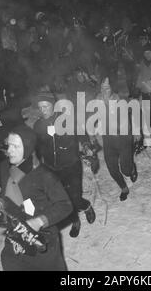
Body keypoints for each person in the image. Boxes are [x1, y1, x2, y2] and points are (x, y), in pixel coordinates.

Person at [0, 125, 73, 271]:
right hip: (16, 234)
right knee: (8, 261)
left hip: (42, 239)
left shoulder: (44, 176)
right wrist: (0, 204)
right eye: (9, 145)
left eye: (16, 146)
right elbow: (5, 190)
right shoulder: (5, 167)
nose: (9, 151)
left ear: (27, 148)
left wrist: (40, 221)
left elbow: (65, 205)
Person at [33, 91, 96, 238]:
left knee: (75, 197)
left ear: (53, 106)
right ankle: (75, 221)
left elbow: (82, 134)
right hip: (51, 168)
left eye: (46, 106)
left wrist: (86, 145)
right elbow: (37, 146)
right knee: (63, 200)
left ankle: (86, 206)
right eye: (40, 107)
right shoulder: (38, 125)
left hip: (71, 165)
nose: (43, 110)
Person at [96, 78, 138, 201]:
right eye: (103, 88)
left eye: (107, 88)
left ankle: (131, 169)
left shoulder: (120, 101)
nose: (105, 91)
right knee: (112, 167)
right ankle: (124, 188)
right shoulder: (97, 101)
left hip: (123, 138)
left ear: (112, 89)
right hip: (108, 140)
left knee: (125, 169)